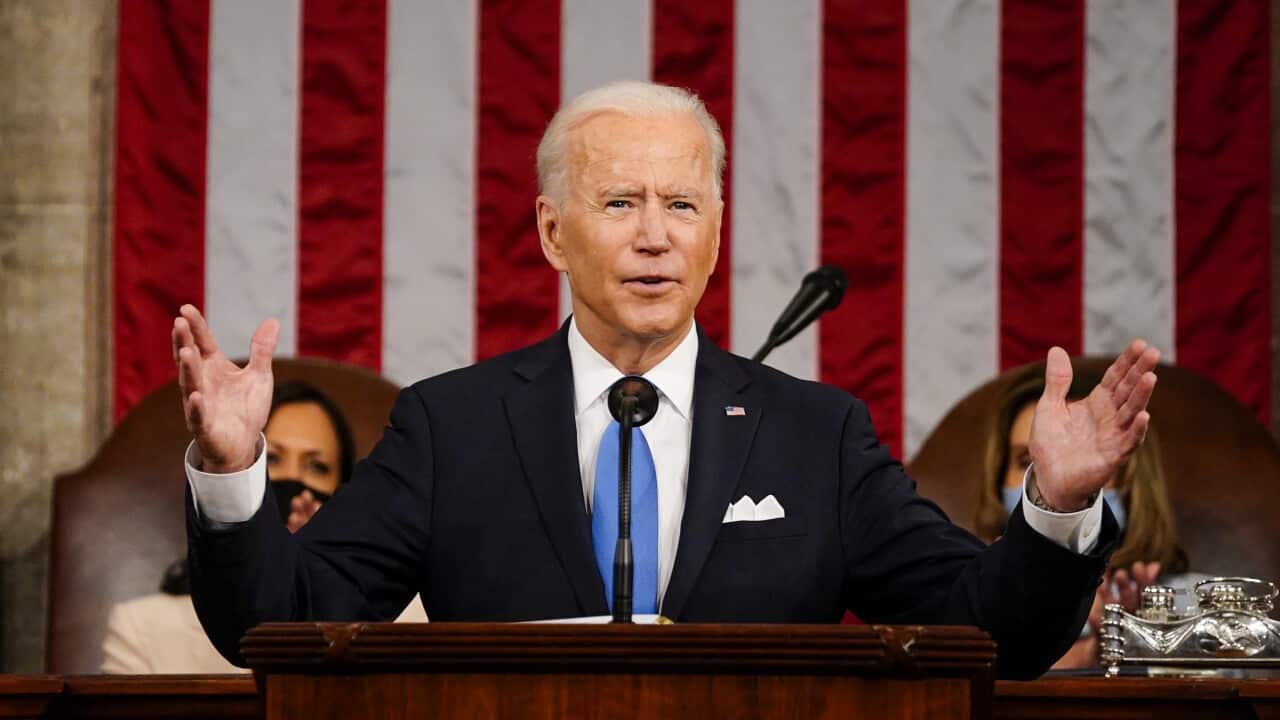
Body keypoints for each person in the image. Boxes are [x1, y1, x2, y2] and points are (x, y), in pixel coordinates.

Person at [173, 81, 1160, 680]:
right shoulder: (452, 426)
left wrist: (1055, 509)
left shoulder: (813, 436)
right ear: (553, 232)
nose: (653, 234)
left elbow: (989, 633)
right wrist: (231, 470)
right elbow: (283, 626)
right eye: (617, 202)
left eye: (681, 204)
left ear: (716, 231)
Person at [101, 381, 426, 674]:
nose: (295, 481)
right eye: (271, 459)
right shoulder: (142, 629)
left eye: (317, 466)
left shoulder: (406, 622)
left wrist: (322, 578)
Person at [975, 364, 1200, 669]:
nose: (1054, 480)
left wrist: (1147, 650)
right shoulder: (972, 598)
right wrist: (1087, 658)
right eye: (1026, 461)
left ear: (1133, 479)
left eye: (1080, 458)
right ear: (997, 480)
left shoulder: (1199, 603)